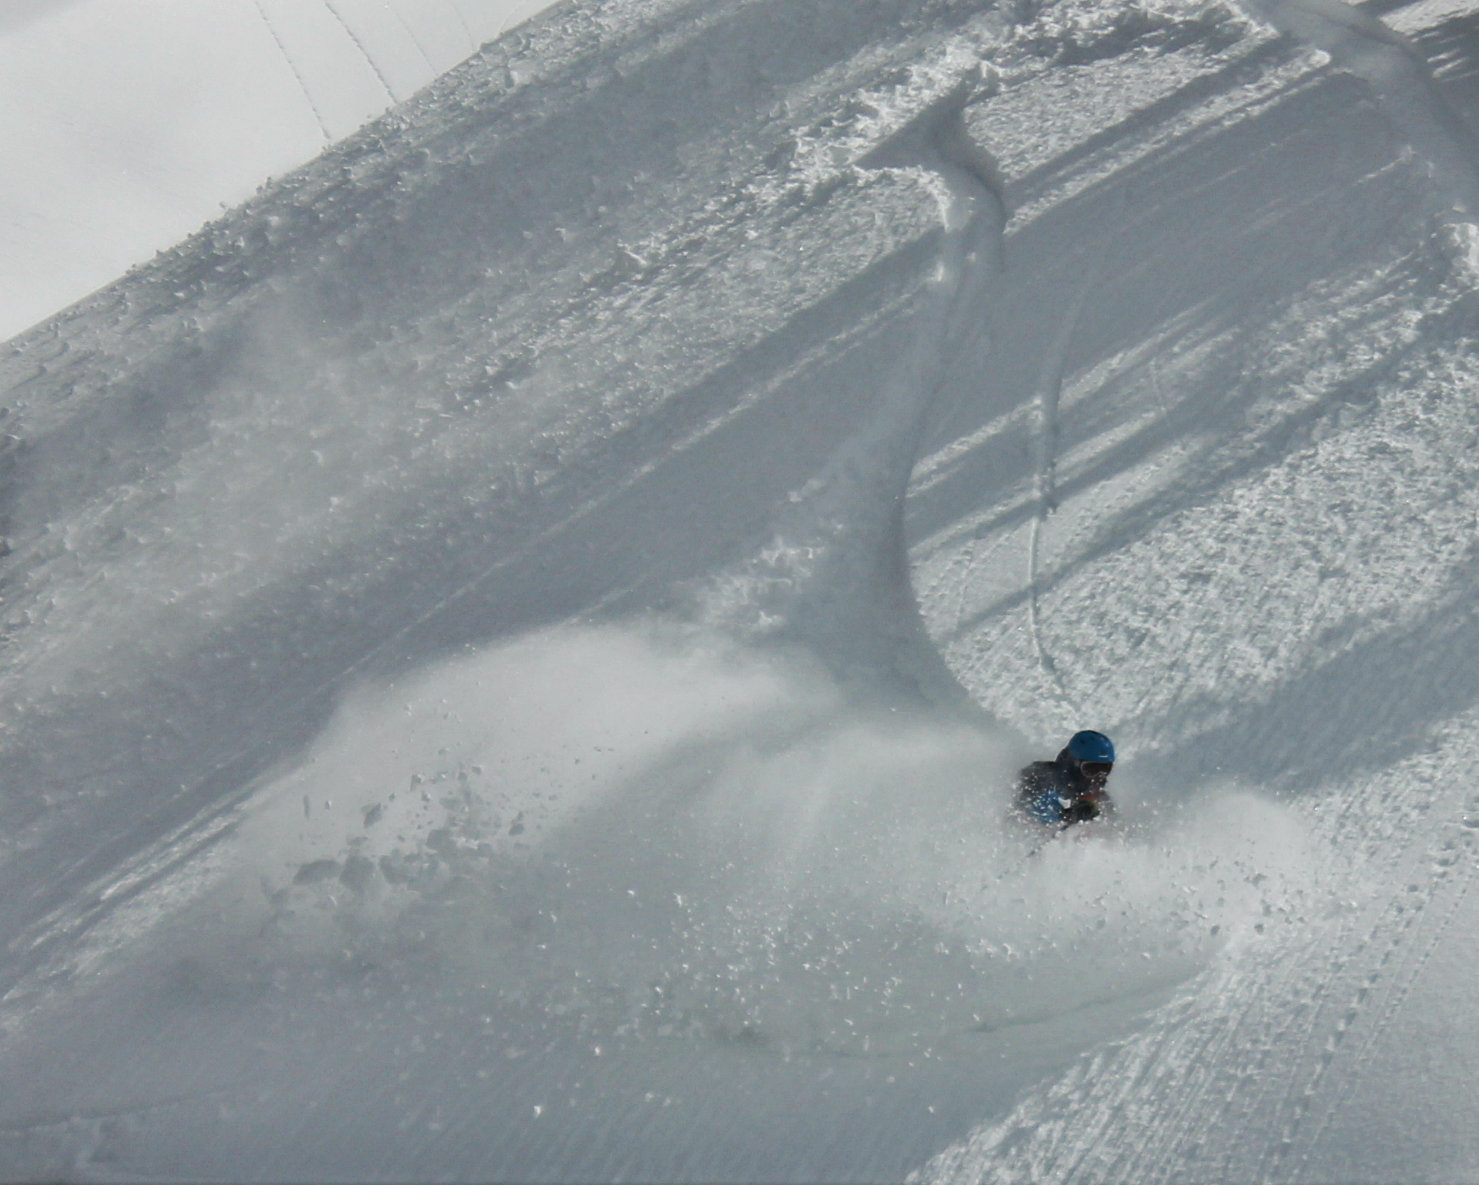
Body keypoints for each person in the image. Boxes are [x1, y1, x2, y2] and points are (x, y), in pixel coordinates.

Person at [1013, 730, 1116, 830]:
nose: (1098, 777)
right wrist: (1065, 815)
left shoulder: (1099, 797)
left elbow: (1113, 828)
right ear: (1073, 764)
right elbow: (1029, 806)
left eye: (1105, 769)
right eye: (1091, 769)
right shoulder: (1041, 776)